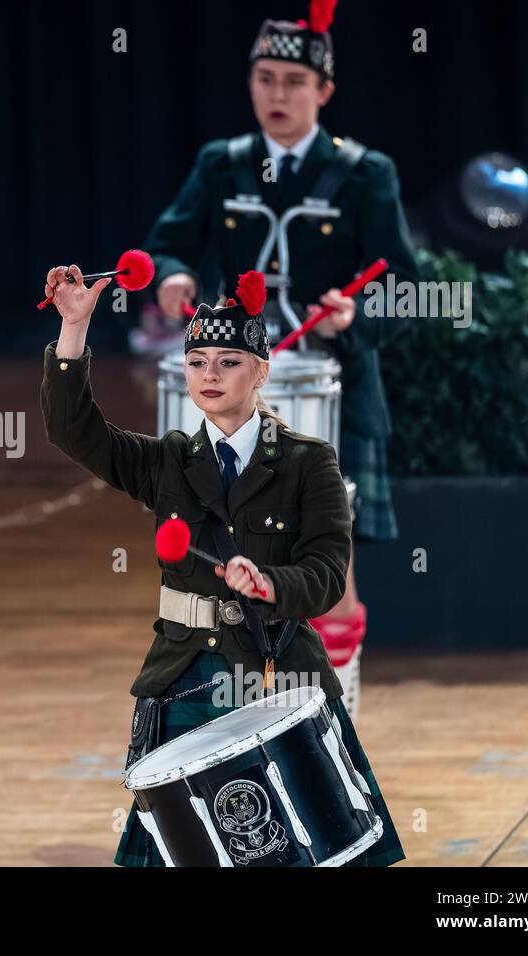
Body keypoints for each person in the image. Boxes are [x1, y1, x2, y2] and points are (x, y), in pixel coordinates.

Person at [39, 262, 404, 866]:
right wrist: (74, 327)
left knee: (323, 849)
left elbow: (326, 575)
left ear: (261, 372)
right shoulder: (169, 462)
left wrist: (268, 584)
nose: (209, 374)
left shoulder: (308, 463)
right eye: (196, 362)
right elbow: (74, 432)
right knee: (181, 854)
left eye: (228, 362)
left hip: (279, 671)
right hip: (186, 673)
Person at [144, 1, 418, 644]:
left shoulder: (365, 174)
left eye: (295, 82)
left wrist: (356, 315)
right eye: (265, 78)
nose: (278, 94)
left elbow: (405, 288)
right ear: (249, 84)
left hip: (336, 385)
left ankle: (333, 727)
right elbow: (168, 244)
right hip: (237, 387)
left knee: (328, 570)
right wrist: (172, 275)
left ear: (323, 90)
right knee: (225, 570)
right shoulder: (222, 163)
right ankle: (248, 729)